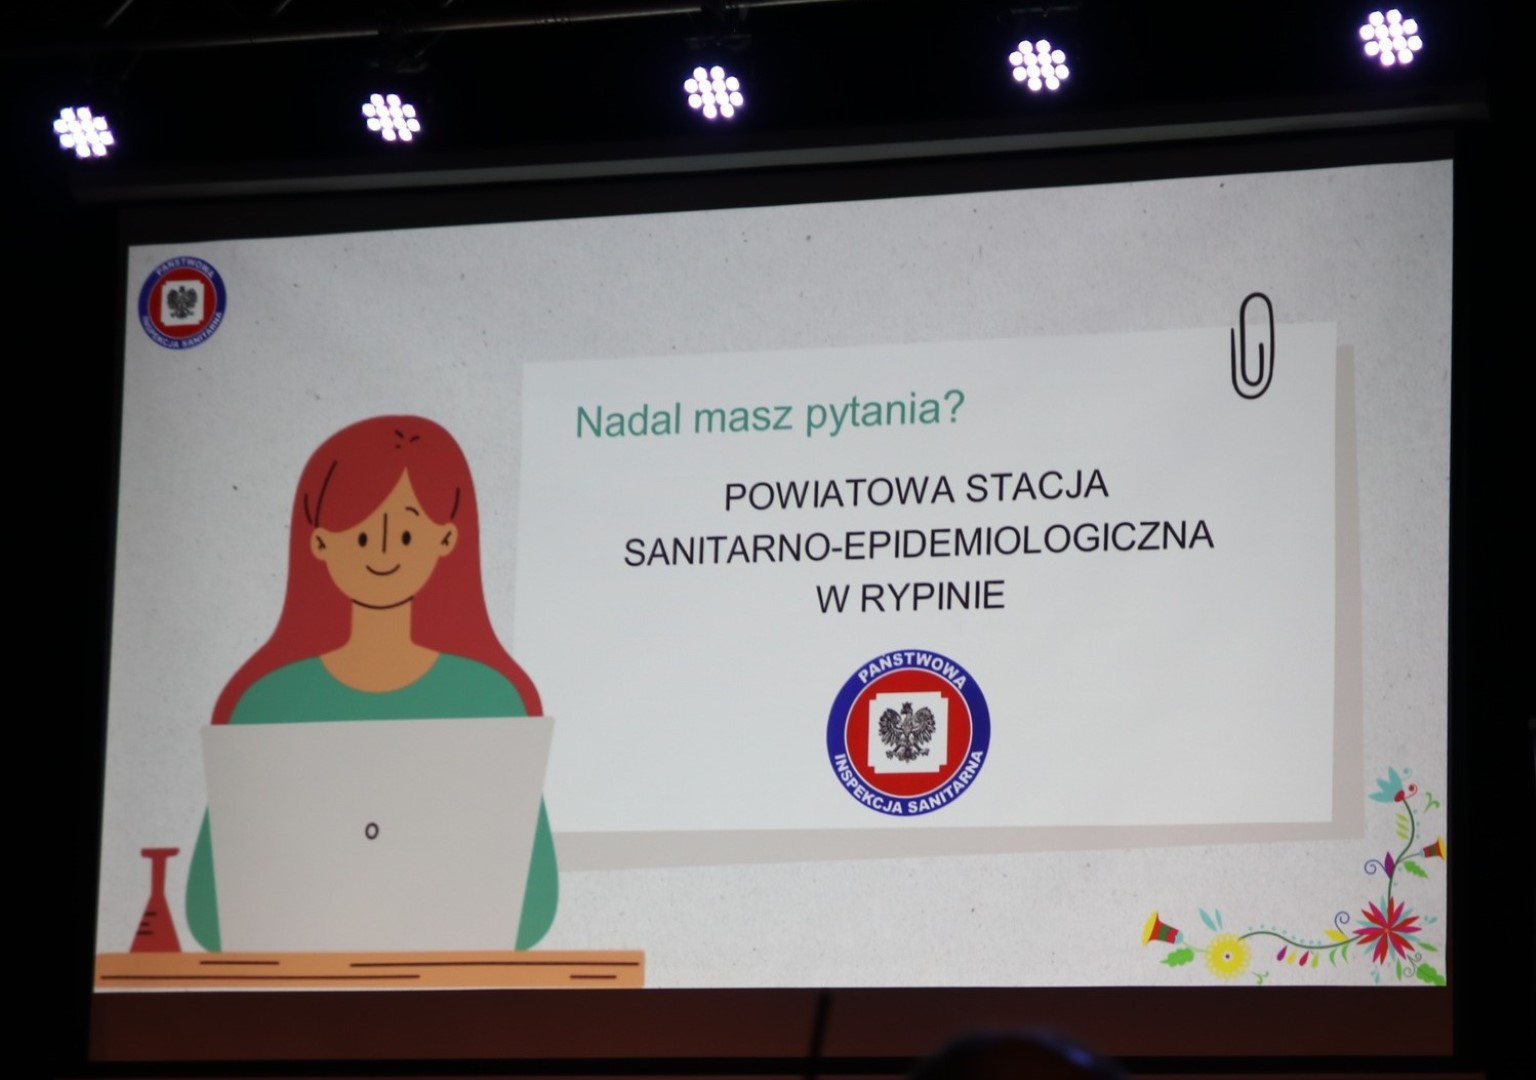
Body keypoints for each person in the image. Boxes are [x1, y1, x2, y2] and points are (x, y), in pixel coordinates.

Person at [184, 416, 557, 950]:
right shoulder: (264, 701)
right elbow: (211, 915)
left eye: (405, 533)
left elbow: (531, 910)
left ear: (446, 538)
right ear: (319, 542)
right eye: (359, 532)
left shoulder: (494, 697)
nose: (382, 552)